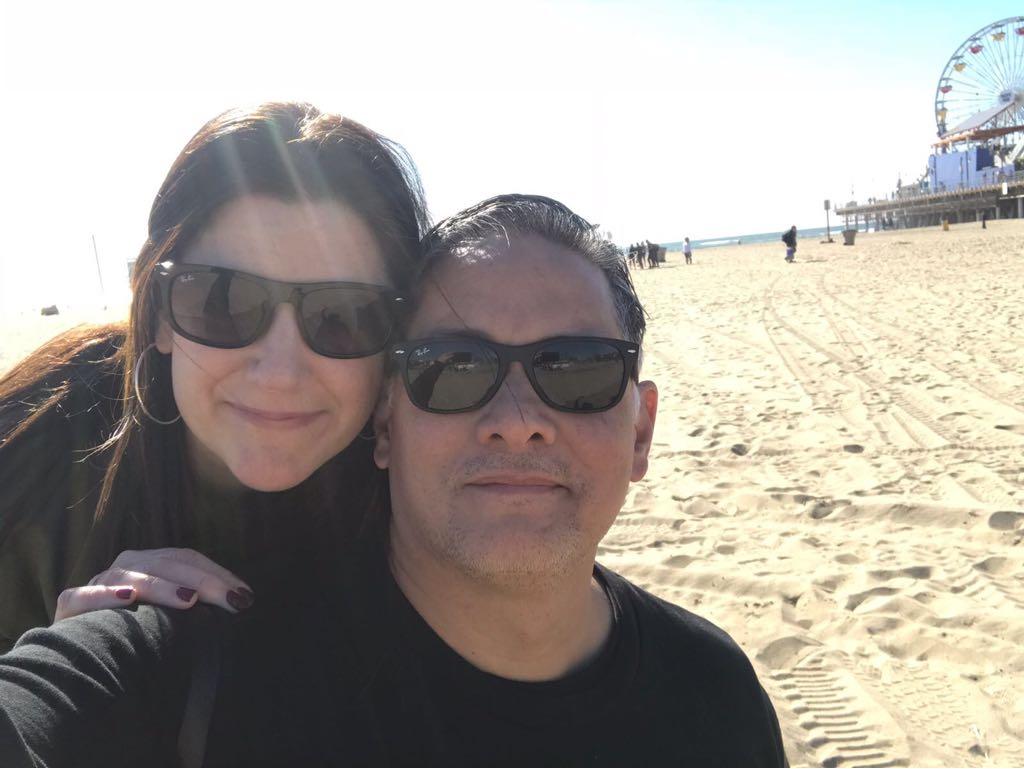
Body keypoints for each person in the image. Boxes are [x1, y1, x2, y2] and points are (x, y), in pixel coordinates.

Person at [0, 194, 786, 766]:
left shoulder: (714, 694)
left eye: (575, 370)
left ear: (640, 429)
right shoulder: (189, 670)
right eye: (453, 369)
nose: (517, 419)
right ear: (383, 424)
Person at [0, 102, 429, 652]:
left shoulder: (435, 478)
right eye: (222, 302)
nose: (278, 372)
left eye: (342, 317)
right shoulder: (33, 462)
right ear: (158, 314)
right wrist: (62, 669)